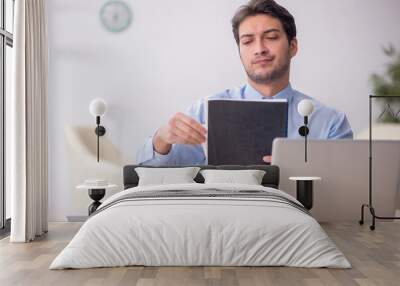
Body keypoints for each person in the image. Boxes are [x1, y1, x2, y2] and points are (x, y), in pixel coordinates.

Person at [137, 0, 353, 166]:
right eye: (248, 41)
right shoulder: (205, 111)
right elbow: (146, 171)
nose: (259, 48)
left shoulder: (330, 124)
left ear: (293, 46)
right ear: (240, 52)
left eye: (271, 37)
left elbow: (347, 188)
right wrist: (161, 141)